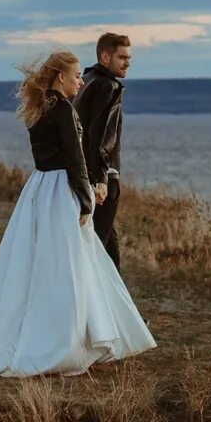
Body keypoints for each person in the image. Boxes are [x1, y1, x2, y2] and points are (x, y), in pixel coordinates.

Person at [0, 49, 156, 377]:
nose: (80, 82)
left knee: (39, 263)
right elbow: (75, 159)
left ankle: (74, 333)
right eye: (76, 76)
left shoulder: (39, 109)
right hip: (60, 190)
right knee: (66, 266)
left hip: (39, 189)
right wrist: (86, 201)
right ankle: (66, 340)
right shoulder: (64, 110)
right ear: (61, 78)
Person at [76, 31, 131, 271]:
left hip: (83, 172)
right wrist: (101, 178)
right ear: (105, 57)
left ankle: (115, 305)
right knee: (96, 245)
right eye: (122, 57)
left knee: (107, 244)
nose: (127, 63)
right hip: (102, 177)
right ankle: (96, 305)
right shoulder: (107, 86)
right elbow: (101, 135)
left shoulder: (85, 80)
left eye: (129, 58)